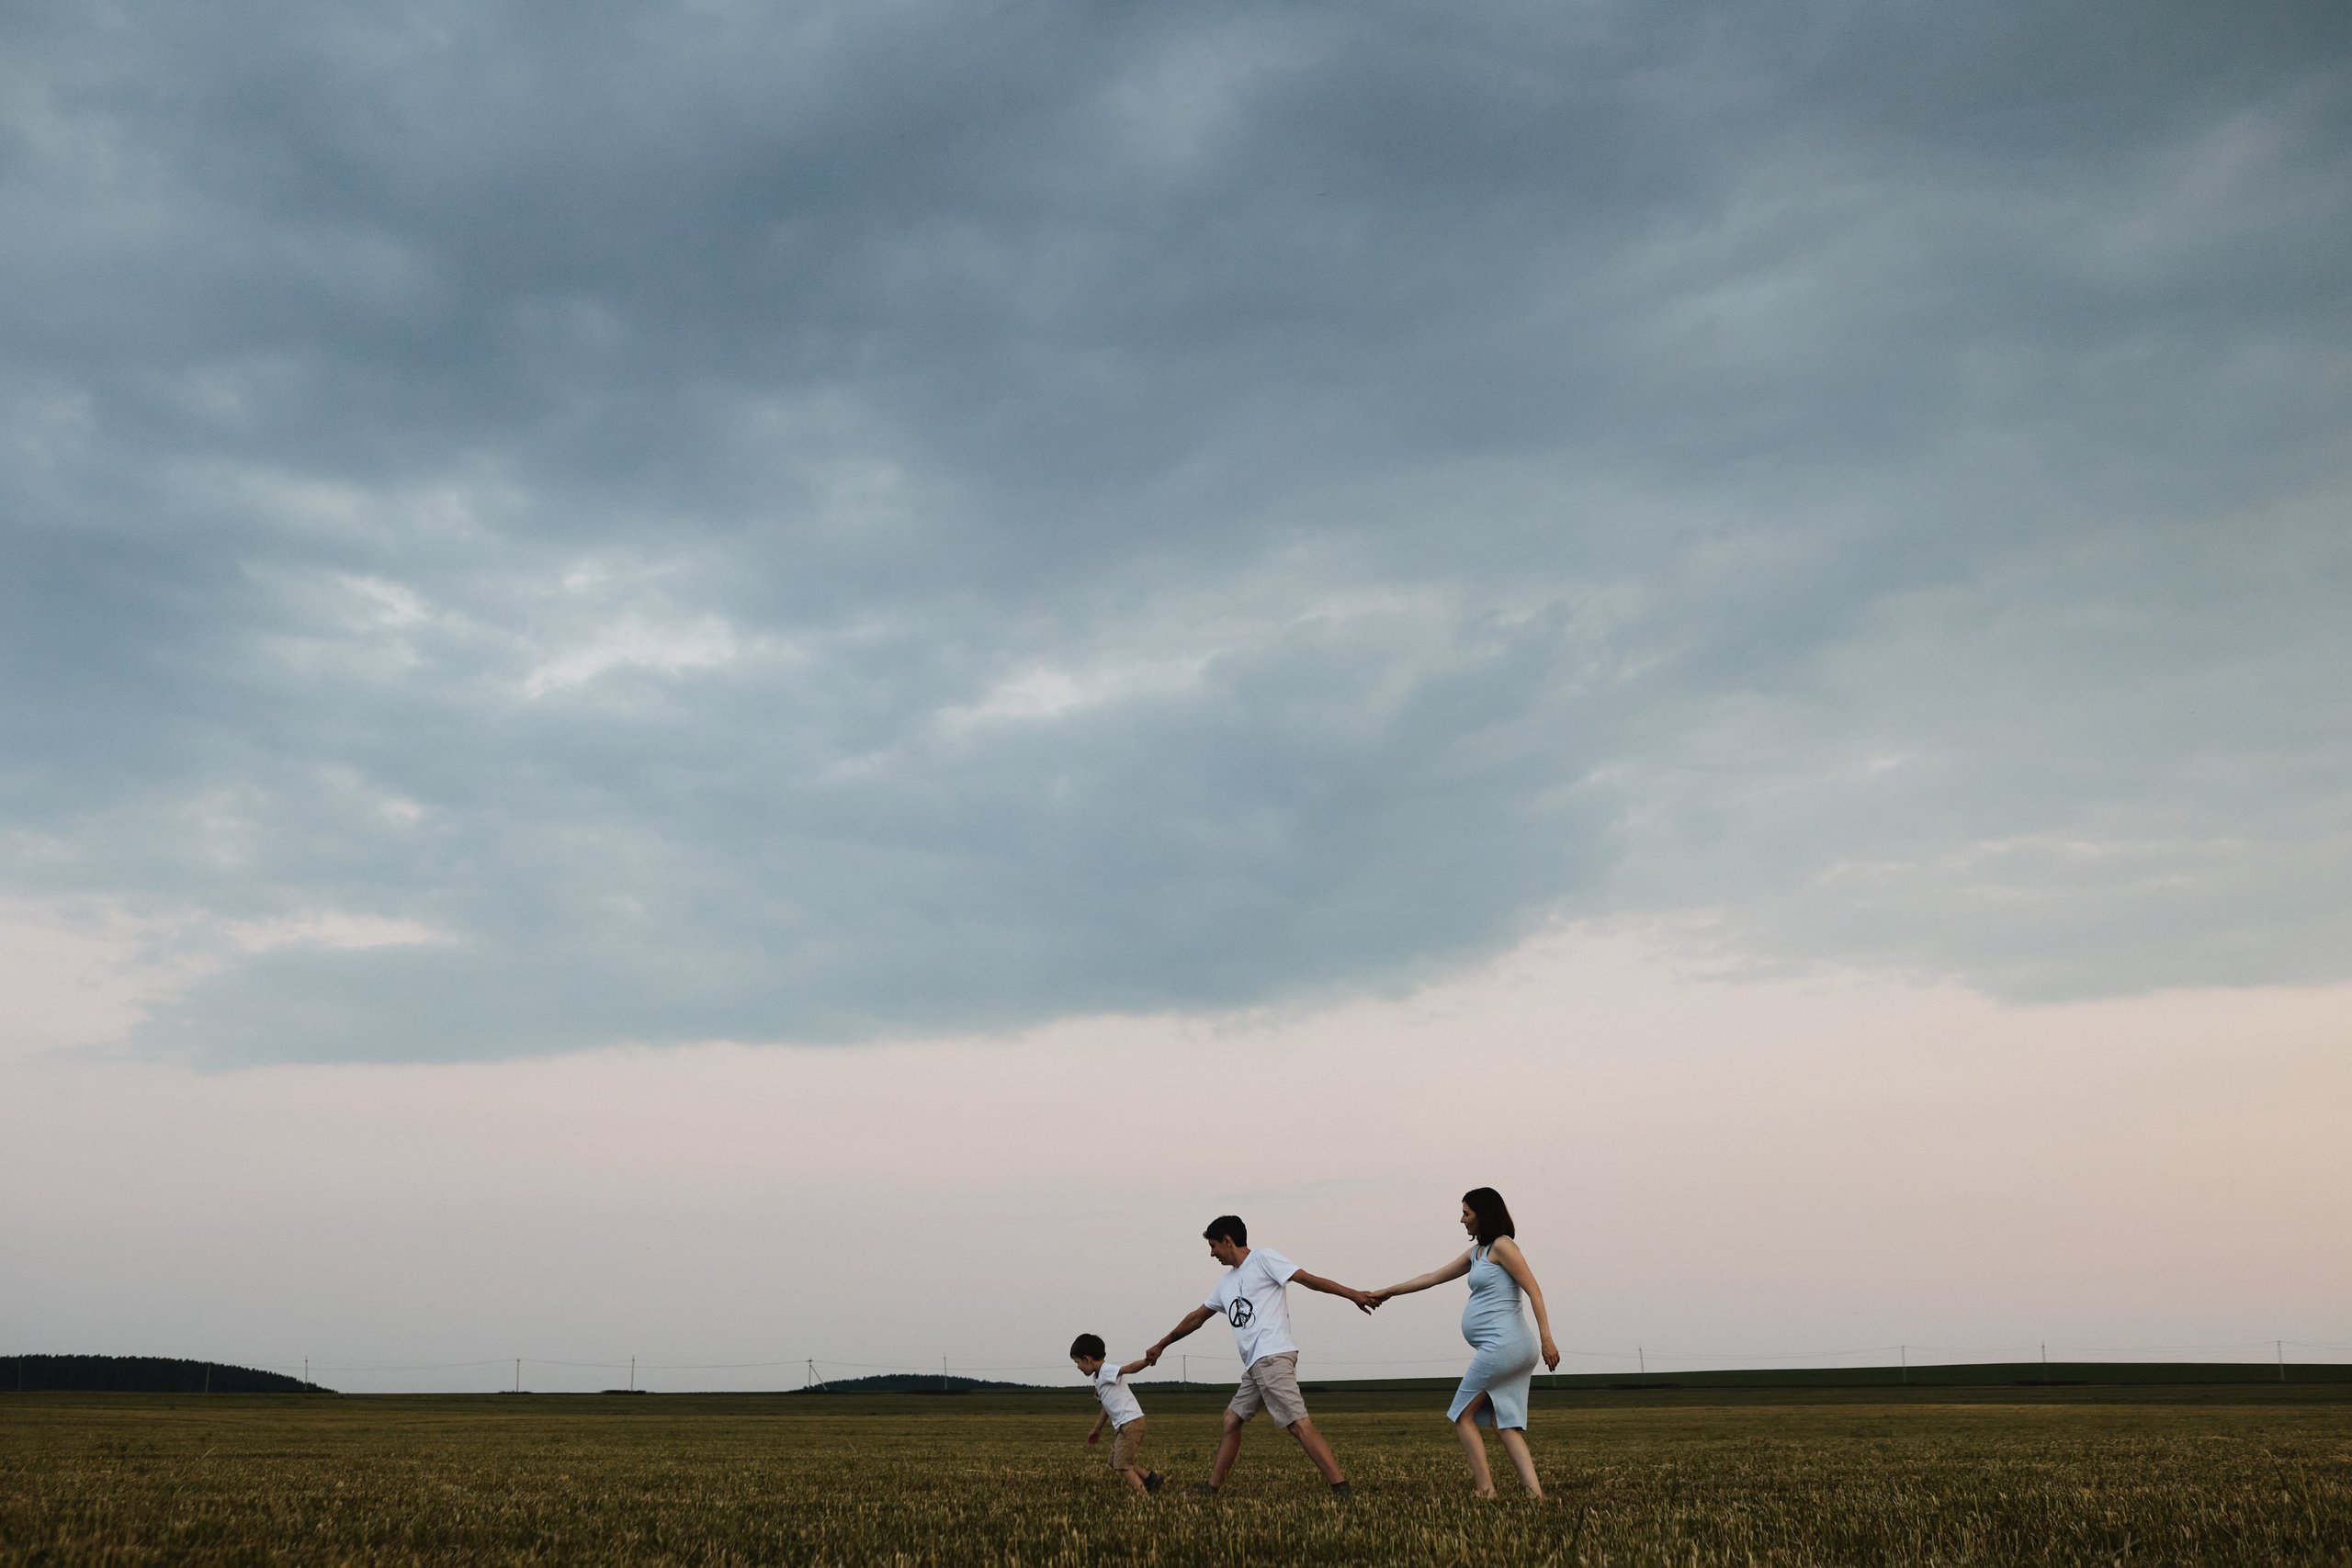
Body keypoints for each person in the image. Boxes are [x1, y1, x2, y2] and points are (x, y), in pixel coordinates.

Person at [1145, 1213, 1380, 1499]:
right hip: (1257, 1364)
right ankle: (1211, 1489)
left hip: (1272, 1355)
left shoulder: (1264, 1259)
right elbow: (1196, 1318)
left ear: (1228, 1241)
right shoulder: (1225, 1284)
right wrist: (1163, 1344)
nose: (1212, 1253)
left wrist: (1353, 1294)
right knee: (1231, 1419)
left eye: (1214, 1246)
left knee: (1297, 1423)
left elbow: (1309, 1280)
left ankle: (1341, 1488)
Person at [1371, 1187, 1560, 1499]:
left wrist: (1548, 1339)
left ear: (1483, 1214)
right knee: (1505, 1423)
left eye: (1466, 1213)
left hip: (1504, 1347)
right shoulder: (1478, 1253)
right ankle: (1534, 1495)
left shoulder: (1503, 1247)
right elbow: (1432, 1276)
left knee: (1463, 1415)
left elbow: (1534, 1291)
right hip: (1509, 1349)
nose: (1462, 1220)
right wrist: (1388, 1291)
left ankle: (1486, 1491)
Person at [1069, 1334, 1163, 1493]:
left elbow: (1129, 1369)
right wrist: (1097, 1429)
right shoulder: (1098, 1378)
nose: (1078, 1367)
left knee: (1123, 1465)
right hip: (1125, 1424)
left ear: (1087, 1359)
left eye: (1077, 1362)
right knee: (1115, 1461)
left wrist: (1146, 1362)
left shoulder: (1106, 1370)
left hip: (1130, 1423)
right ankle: (1150, 1479)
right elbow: (1106, 1406)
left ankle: (1144, 1496)